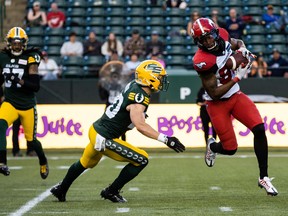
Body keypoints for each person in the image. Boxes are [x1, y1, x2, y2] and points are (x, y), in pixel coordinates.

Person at [50, 60, 185, 203]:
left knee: (85, 162)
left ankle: (61, 189)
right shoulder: (139, 96)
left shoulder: (135, 85)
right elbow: (140, 125)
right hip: (104, 137)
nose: (162, 81)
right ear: (149, 78)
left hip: (97, 130)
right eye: (160, 78)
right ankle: (111, 191)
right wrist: (166, 139)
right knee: (142, 159)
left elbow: (132, 118)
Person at [191, 18, 278, 196]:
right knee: (231, 149)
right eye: (203, 39)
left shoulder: (222, 34)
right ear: (198, 42)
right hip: (216, 104)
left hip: (236, 95)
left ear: (215, 32)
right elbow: (215, 93)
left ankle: (264, 177)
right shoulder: (202, 60)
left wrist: (243, 49)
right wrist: (237, 77)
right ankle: (213, 147)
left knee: (260, 128)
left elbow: (236, 42)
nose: (208, 41)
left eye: (209, 36)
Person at [0, 27, 49, 178]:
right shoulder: (3, 57)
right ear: (9, 43)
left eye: (19, 43)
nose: (16, 46)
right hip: (10, 103)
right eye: (13, 43)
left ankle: (42, 160)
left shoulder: (31, 57)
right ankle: (2, 162)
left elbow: (35, 86)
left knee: (32, 141)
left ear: (24, 43)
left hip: (27, 105)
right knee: (0, 125)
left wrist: (19, 80)